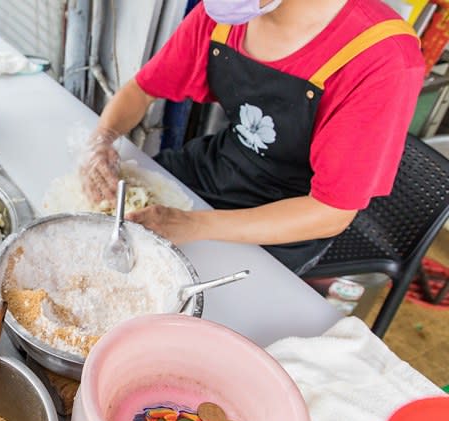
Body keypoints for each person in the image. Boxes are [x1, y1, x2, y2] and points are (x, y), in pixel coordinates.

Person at [81, 0, 424, 274]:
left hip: (288, 219)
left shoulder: (381, 57)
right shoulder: (224, 14)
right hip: (216, 168)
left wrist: (193, 224)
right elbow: (141, 90)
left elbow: (331, 212)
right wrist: (102, 140)